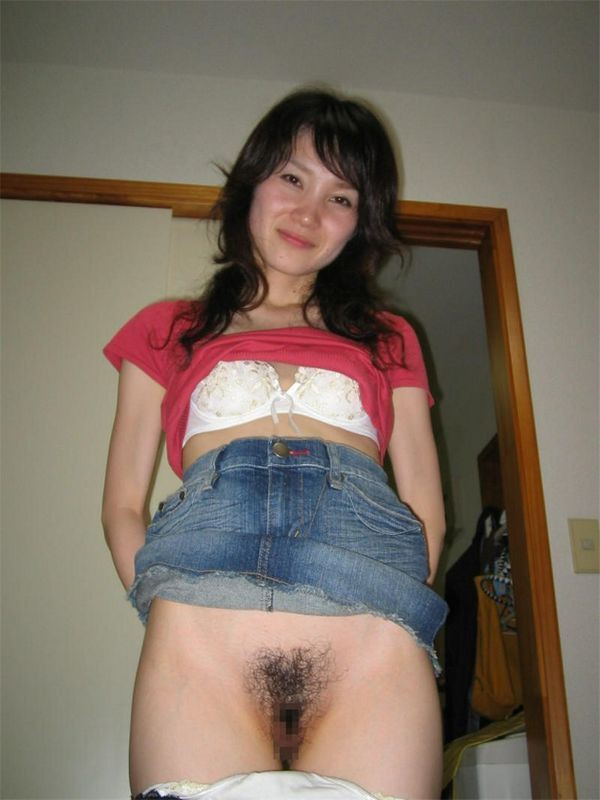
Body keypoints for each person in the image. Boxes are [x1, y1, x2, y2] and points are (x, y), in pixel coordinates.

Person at [102, 88, 448, 800]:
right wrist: (162, 606)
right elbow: (120, 507)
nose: (309, 213)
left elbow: (425, 508)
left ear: (359, 223)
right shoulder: (167, 329)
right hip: (202, 646)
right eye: (293, 177)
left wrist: (399, 611)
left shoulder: (389, 338)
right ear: (253, 181)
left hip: (372, 644)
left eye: (341, 197)